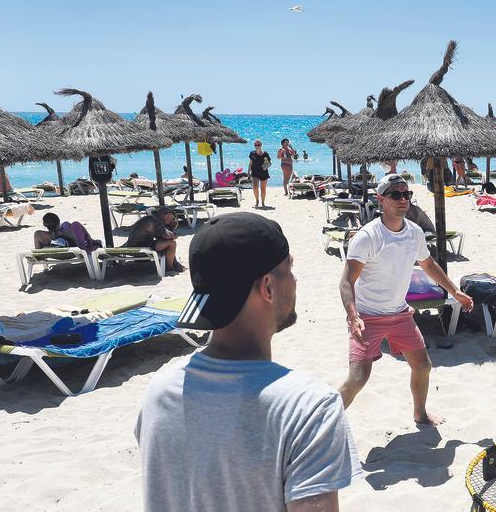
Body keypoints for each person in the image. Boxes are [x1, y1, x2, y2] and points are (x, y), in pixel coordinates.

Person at [137, 213, 360, 511]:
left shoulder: (159, 392)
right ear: (267, 286)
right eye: (289, 268)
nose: (294, 280)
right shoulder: (310, 408)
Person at [337, 175, 474, 423]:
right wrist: (353, 316)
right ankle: (324, 420)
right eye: (396, 195)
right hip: (367, 317)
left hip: (400, 314)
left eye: (407, 195)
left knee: (422, 366)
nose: (403, 200)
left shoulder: (414, 232)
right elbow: (346, 281)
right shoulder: (368, 236)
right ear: (381, 200)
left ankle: (420, 414)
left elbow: (429, 264)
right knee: (358, 378)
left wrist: (454, 291)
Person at [125, 208, 181, 273]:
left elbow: (162, 237)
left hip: (135, 244)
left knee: (166, 243)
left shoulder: (151, 218)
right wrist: (172, 227)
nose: (172, 220)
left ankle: (173, 264)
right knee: (172, 244)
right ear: (166, 215)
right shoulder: (156, 221)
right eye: (172, 218)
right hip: (140, 246)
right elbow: (169, 236)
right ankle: (169, 267)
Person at [248, 140, 271, 209]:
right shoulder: (252, 153)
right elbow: (250, 163)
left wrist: (265, 166)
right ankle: (257, 200)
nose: (257, 146)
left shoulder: (265, 154)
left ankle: (263, 202)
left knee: (263, 189)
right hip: (254, 172)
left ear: (261, 145)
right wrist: (248, 172)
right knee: (255, 187)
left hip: (264, 172)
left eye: (258, 145)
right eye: (255, 145)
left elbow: (269, 163)